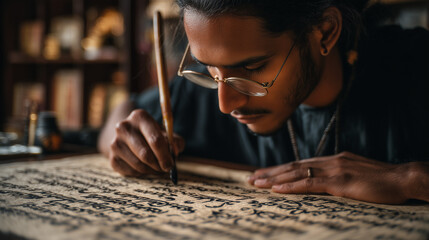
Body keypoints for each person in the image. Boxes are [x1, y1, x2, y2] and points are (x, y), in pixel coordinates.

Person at [98, 0, 429, 204]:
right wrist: (127, 138)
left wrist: (411, 179)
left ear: (325, 32)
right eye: (209, 68)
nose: (225, 104)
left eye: (253, 68)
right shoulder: (211, 85)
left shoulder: (415, 67)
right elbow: (126, 110)